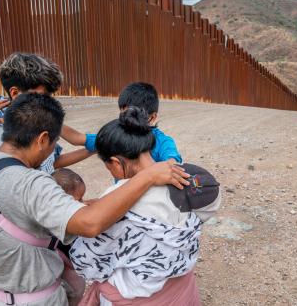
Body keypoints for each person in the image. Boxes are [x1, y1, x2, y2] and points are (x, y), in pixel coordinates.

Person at [0, 93, 190, 305]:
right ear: (43, 139)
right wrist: (147, 177)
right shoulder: (33, 184)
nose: (52, 152)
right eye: (53, 143)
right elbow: (90, 225)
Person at [70, 107, 221, 306]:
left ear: (115, 162)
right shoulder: (183, 177)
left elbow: (86, 262)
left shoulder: (116, 200)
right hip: (181, 287)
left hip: (136, 295)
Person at [0, 52, 97, 173]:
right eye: (41, 96)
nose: (47, 102)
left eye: (49, 96)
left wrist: (95, 148)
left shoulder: (38, 119)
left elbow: (51, 163)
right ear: (15, 93)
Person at [118, 82, 182, 163]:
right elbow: (99, 139)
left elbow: (172, 161)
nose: (128, 119)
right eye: (124, 114)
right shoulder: (117, 133)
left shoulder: (161, 141)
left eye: (135, 115)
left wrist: (170, 163)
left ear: (152, 117)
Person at [52, 168, 88, 305]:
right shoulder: (56, 221)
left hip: (67, 263)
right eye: (77, 200)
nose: (81, 203)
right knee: (75, 288)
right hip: (61, 264)